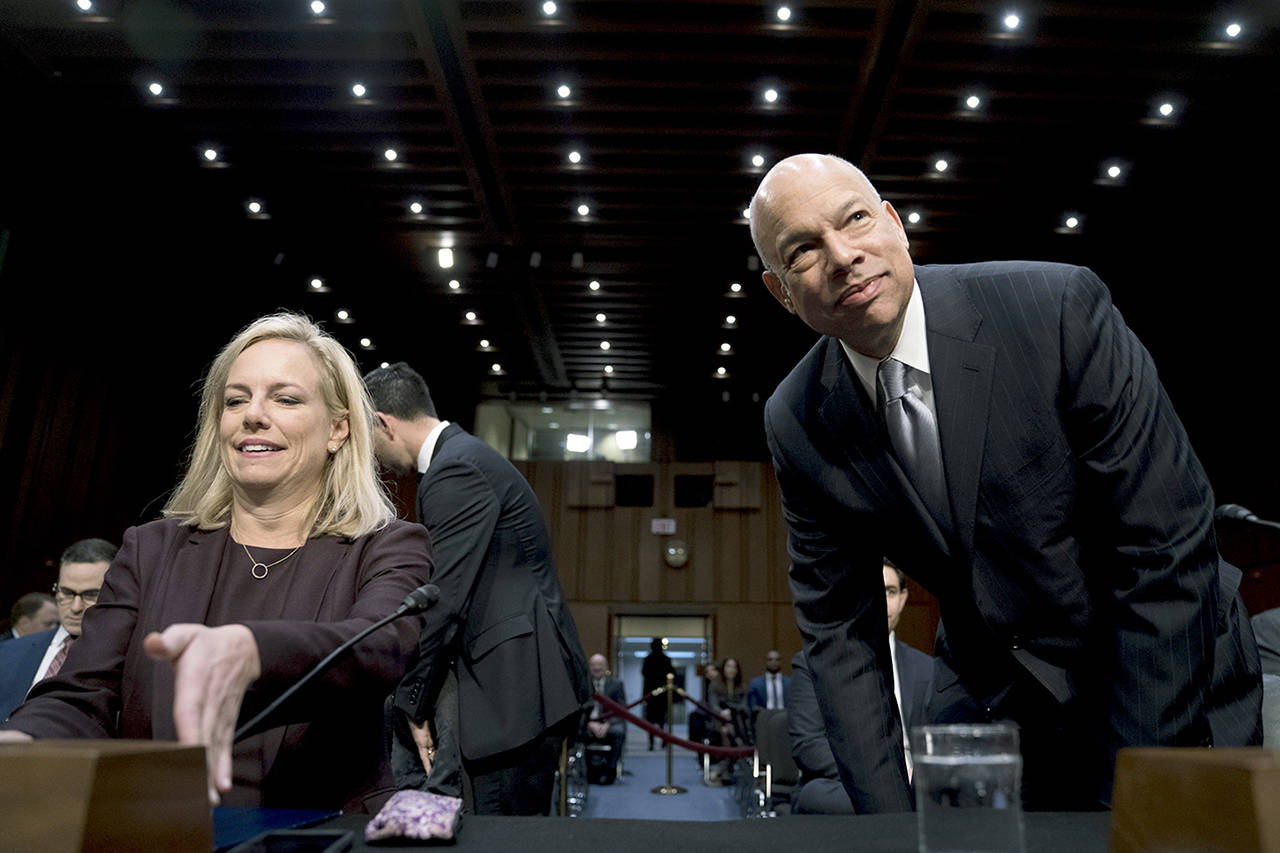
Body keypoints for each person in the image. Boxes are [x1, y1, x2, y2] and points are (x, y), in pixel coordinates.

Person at [751, 153, 1262, 812]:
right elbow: (842, 634)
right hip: (1009, 697)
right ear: (780, 291)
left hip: (1169, 664)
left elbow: (1165, 545)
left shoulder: (1055, 308)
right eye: (803, 251)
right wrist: (888, 828)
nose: (843, 255)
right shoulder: (796, 419)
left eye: (854, 219)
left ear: (894, 224)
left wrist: (1129, 791)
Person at [0, 313, 431, 811]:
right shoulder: (151, 549)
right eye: (236, 400)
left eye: (286, 399)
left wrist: (252, 651)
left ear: (338, 429)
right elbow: (80, 696)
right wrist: (23, 739)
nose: (253, 414)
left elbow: (382, 646)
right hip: (157, 828)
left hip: (324, 830)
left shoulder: (387, 546)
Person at [362, 362, 589, 816]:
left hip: (511, 691)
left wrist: (411, 704)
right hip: (520, 686)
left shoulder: (455, 469)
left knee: (497, 834)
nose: (371, 457)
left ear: (382, 423)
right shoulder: (463, 458)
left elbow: (443, 598)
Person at [789, 561, 934, 814]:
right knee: (819, 796)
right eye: (872, 590)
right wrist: (887, 779)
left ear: (902, 598)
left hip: (921, 785)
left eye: (889, 591)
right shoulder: (813, 664)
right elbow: (808, 745)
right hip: (847, 784)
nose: (880, 600)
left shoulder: (927, 667)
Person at [0, 540, 115, 719]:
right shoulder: (8, 652)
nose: (76, 607)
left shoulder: (127, 663)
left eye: (91, 595)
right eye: (67, 593)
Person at [583, 653, 627, 782]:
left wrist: (607, 724)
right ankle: (588, 769)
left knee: (619, 732)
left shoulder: (616, 684)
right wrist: (590, 723)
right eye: (593, 665)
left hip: (610, 723)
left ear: (606, 667)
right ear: (589, 667)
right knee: (577, 733)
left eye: (600, 665)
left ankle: (611, 770)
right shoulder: (583, 684)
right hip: (587, 723)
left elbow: (621, 709)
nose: (597, 668)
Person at [706, 656, 750, 783]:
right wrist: (722, 712)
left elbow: (744, 706)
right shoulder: (715, 685)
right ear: (723, 669)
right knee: (727, 732)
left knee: (732, 730)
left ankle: (723, 768)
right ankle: (726, 769)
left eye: (734, 667)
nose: (731, 669)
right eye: (728, 666)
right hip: (718, 721)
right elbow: (713, 705)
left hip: (738, 720)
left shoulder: (743, 686)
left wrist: (732, 711)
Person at [640, 636, 673, 750]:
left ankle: (654, 742)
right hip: (657, 696)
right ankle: (658, 741)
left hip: (657, 695)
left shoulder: (649, 659)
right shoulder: (663, 659)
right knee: (659, 721)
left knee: (656, 721)